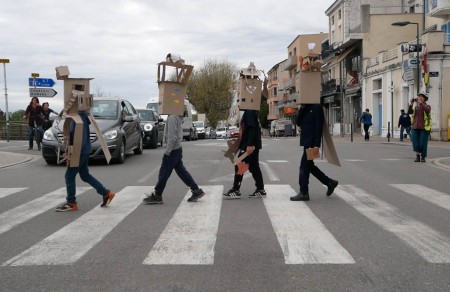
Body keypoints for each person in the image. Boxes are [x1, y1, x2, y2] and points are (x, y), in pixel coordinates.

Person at [55, 110, 115, 211]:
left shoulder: (78, 118)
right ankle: (106, 193)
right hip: (85, 150)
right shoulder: (82, 115)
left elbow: (79, 139)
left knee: (69, 176)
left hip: (80, 151)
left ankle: (71, 202)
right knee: (85, 175)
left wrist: (72, 155)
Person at [143, 113, 205, 204]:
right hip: (177, 149)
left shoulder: (172, 118)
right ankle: (196, 190)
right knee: (181, 172)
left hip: (173, 150)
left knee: (164, 172)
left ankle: (157, 195)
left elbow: (172, 137)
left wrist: (167, 151)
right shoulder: (176, 117)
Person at [290, 103, 338, 202]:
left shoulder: (316, 107)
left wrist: (317, 145)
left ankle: (304, 192)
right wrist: (302, 108)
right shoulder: (305, 107)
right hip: (306, 143)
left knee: (304, 166)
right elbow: (298, 122)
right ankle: (329, 182)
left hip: (312, 144)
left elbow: (318, 126)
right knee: (309, 166)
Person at [223, 109, 266, 199]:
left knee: (240, 164)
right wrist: (238, 146)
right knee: (254, 167)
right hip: (251, 144)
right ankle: (260, 189)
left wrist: (249, 144)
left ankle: (236, 190)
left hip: (250, 145)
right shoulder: (248, 112)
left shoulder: (249, 112)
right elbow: (245, 131)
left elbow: (251, 129)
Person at [408, 92, 431, 162]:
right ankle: (417, 156)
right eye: (419, 96)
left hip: (424, 128)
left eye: (422, 97)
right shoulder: (416, 107)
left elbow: (427, 110)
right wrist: (411, 104)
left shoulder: (428, 106)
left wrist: (421, 103)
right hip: (415, 127)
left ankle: (423, 157)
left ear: (425, 99)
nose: (420, 98)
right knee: (415, 143)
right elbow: (409, 112)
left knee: (422, 143)